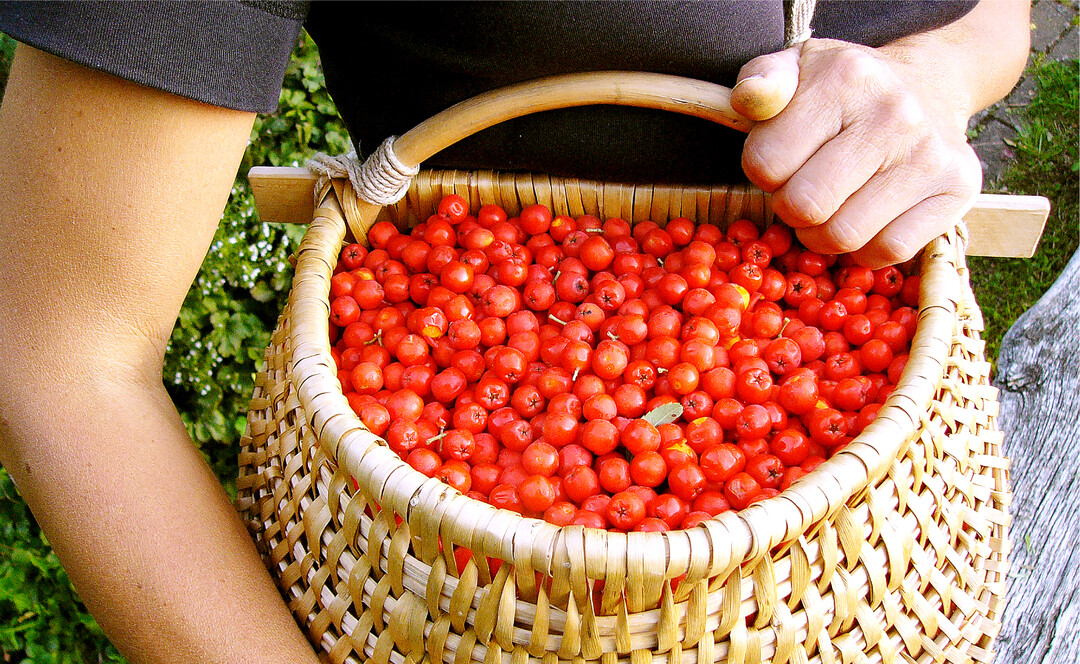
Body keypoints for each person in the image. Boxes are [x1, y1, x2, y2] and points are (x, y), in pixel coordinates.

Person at [0, 2, 1029, 663]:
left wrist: (932, 79)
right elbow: (60, 357)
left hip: (869, 482)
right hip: (469, 563)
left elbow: (994, 14)